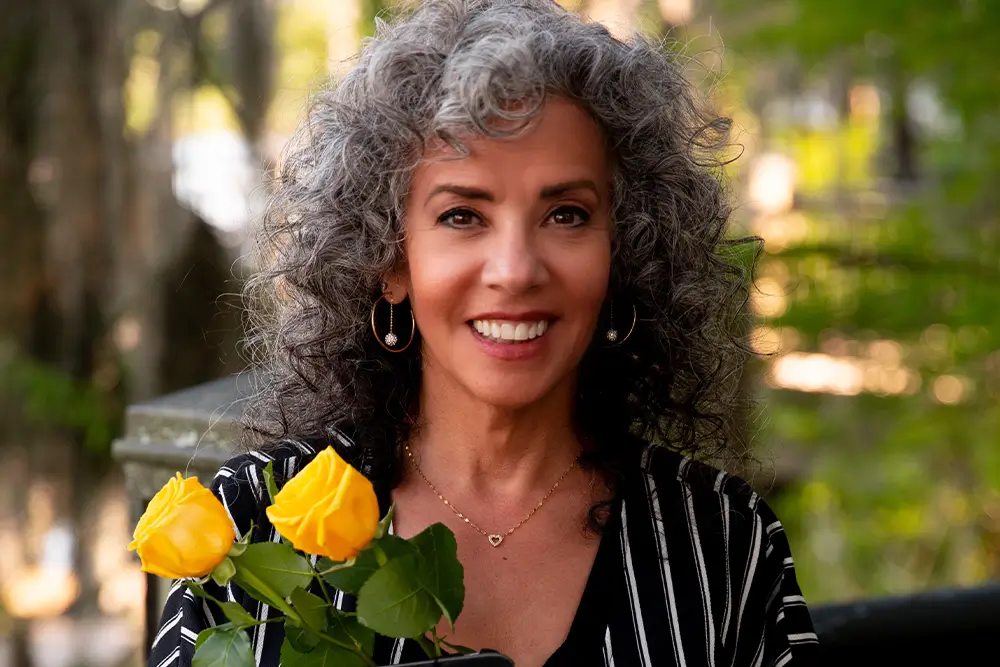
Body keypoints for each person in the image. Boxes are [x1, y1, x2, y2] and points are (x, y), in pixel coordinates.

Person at [147, 1, 818, 665]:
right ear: (389, 259)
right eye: (463, 215)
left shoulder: (722, 540)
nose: (516, 270)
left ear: (624, 250)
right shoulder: (249, 530)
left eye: (567, 214)